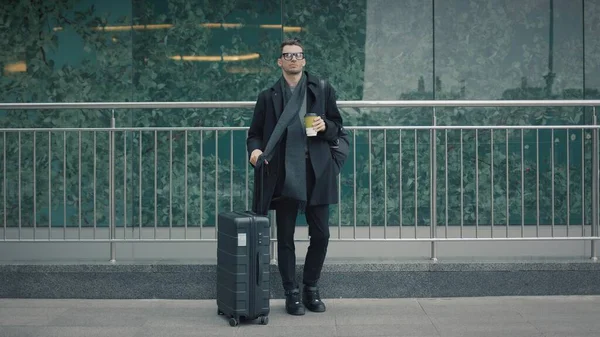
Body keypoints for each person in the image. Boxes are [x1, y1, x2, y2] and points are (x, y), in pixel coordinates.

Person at [246, 38, 344, 316]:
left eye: (297, 55)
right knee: (285, 237)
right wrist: (254, 151)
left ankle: (310, 288)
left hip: (316, 172)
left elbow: (338, 128)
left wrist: (326, 126)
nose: (292, 59)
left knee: (322, 234)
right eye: (287, 55)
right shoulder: (268, 96)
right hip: (283, 175)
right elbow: (254, 133)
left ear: (304, 60)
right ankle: (291, 293)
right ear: (280, 62)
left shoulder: (322, 90)